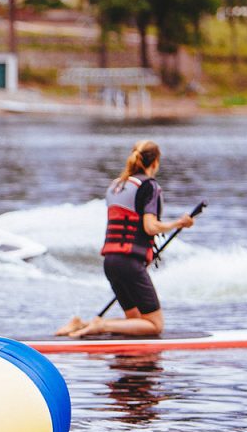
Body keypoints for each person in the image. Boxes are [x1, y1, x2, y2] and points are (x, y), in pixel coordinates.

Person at [56, 140, 194, 338]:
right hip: (129, 263)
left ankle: (81, 324)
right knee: (155, 325)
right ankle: (100, 326)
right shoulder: (150, 187)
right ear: (155, 162)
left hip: (111, 262)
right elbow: (150, 226)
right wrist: (179, 223)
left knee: (136, 320)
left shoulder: (117, 185)